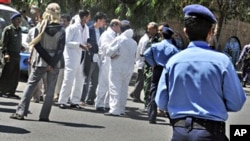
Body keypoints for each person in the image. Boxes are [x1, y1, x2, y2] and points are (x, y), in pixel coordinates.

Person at [155, 4, 246, 141]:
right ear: (211, 32)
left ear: (185, 31)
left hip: (179, 132)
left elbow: (161, 102)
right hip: (210, 132)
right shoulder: (223, 62)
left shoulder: (173, 62)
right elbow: (236, 102)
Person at [10, 3, 65, 121]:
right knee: (50, 89)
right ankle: (44, 116)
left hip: (40, 61)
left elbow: (38, 46)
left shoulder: (40, 27)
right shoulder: (61, 29)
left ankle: (20, 112)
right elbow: (60, 49)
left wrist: (47, 61)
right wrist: (52, 63)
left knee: (30, 85)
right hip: (55, 63)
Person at [143, 26, 179, 124]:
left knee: (153, 91)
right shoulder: (174, 49)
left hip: (157, 69)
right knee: (169, 92)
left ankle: (152, 116)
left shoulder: (155, 46)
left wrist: (153, 64)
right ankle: (171, 116)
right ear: (171, 36)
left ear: (162, 35)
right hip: (168, 70)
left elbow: (146, 54)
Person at [58, 10, 91, 109]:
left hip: (82, 56)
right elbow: (67, 42)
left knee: (79, 80)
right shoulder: (71, 28)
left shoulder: (86, 29)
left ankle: (75, 101)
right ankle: (63, 101)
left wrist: (88, 44)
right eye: (88, 17)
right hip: (71, 56)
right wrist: (78, 44)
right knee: (69, 79)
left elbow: (86, 40)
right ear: (84, 17)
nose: (89, 19)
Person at [104, 20, 137, 116]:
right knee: (124, 88)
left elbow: (109, 51)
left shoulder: (119, 39)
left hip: (117, 66)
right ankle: (122, 109)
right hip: (129, 68)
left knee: (114, 87)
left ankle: (114, 109)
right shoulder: (133, 42)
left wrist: (115, 54)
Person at [81, 12, 107, 105]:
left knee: (95, 80)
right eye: (103, 21)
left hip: (99, 57)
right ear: (98, 20)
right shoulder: (89, 29)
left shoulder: (102, 31)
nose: (104, 23)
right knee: (87, 79)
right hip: (91, 56)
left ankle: (90, 99)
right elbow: (87, 41)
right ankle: (82, 98)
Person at [95, 19, 121, 112]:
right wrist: (114, 51)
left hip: (114, 60)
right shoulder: (106, 34)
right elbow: (105, 47)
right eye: (119, 26)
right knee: (104, 82)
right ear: (114, 25)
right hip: (107, 60)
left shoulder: (116, 35)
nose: (120, 28)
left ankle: (107, 103)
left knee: (111, 83)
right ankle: (99, 103)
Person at [0, 12, 23, 99]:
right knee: (6, 73)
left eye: (20, 20)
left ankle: (11, 92)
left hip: (17, 55)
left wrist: (21, 47)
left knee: (15, 74)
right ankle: (2, 90)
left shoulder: (19, 30)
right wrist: (5, 54)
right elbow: (4, 44)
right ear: (12, 20)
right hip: (9, 55)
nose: (18, 21)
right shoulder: (8, 29)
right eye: (17, 19)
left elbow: (18, 42)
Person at [141, 22, 161, 111]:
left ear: (155, 29)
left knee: (150, 85)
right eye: (148, 29)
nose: (148, 30)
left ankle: (150, 105)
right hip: (147, 66)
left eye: (150, 29)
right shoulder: (149, 38)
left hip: (153, 66)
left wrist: (154, 64)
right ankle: (146, 104)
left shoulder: (159, 40)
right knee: (146, 85)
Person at [53, 13, 71, 101]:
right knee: (58, 75)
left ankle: (59, 94)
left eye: (65, 21)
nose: (62, 23)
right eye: (61, 20)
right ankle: (54, 94)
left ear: (69, 22)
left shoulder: (69, 30)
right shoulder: (58, 30)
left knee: (63, 76)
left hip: (66, 56)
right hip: (58, 55)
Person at [129, 28, 149, 103]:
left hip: (140, 61)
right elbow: (143, 52)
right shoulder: (146, 40)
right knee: (141, 80)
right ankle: (136, 96)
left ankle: (134, 93)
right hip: (142, 62)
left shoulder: (144, 38)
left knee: (140, 79)